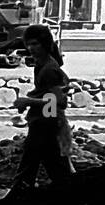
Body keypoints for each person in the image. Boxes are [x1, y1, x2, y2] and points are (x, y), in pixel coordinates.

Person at [8, 23, 74, 191]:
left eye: (35, 44)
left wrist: (28, 101)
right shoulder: (41, 66)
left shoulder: (49, 69)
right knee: (55, 170)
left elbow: (58, 102)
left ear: (45, 44)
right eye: (28, 44)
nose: (31, 48)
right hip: (44, 122)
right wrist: (34, 97)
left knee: (30, 168)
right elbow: (47, 95)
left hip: (47, 125)